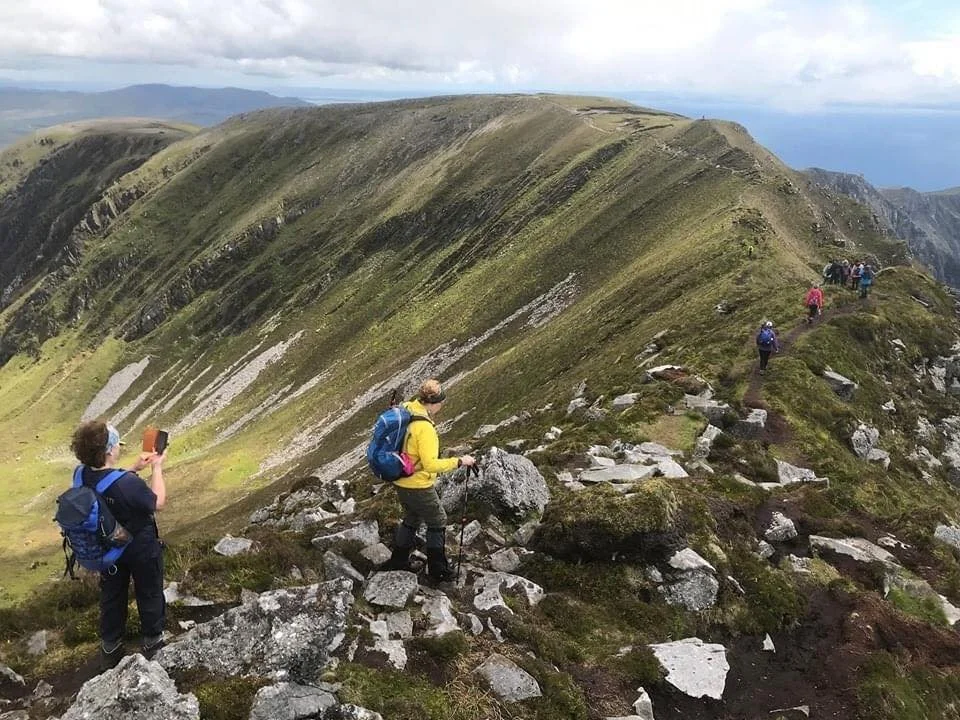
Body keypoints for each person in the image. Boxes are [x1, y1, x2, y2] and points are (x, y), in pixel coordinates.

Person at [70, 420, 167, 670]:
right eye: (116, 445)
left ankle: (110, 647)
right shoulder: (127, 484)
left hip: (107, 549)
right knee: (149, 589)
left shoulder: (80, 474)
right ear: (109, 451)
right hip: (139, 546)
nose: (119, 449)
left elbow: (104, 484)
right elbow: (157, 502)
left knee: (112, 595)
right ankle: (153, 642)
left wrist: (132, 468)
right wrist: (156, 467)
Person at [382, 379, 475, 581]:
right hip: (418, 484)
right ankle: (438, 570)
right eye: (441, 402)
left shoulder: (408, 408)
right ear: (434, 403)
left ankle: (398, 560)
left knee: (412, 517)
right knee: (438, 519)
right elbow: (430, 464)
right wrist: (460, 461)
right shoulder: (425, 429)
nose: (442, 405)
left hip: (400, 479)